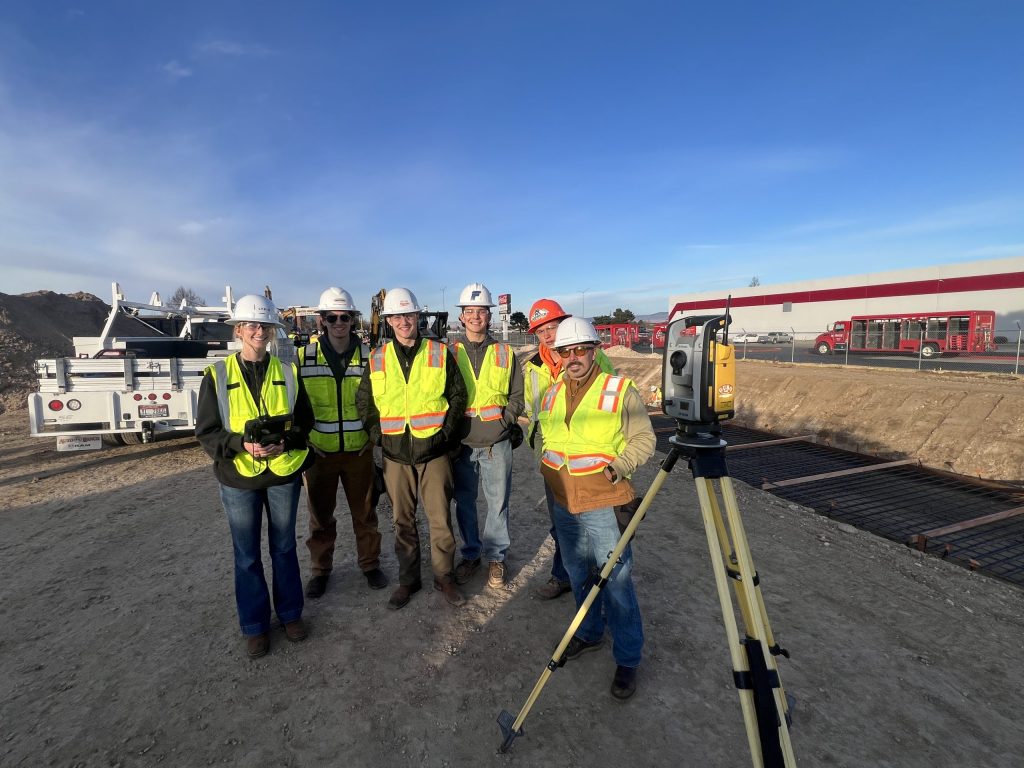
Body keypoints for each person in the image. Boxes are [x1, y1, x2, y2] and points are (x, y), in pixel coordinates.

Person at [536, 316, 655, 700]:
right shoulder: (552, 393)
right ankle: (588, 633)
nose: (573, 358)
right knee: (577, 571)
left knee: (616, 581)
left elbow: (644, 439)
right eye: (565, 352)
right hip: (564, 502)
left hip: (604, 501)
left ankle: (628, 659)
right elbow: (551, 442)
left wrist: (618, 467)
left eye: (580, 350)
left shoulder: (618, 390)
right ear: (559, 356)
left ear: (593, 351)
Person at [196, 294, 315, 659]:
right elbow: (207, 431)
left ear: (272, 331)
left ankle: (291, 615)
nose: (258, 331)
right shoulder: (217, 376)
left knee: (284, 547)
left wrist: (286, 443)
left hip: (282, 473)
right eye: (251, 325)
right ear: (239, 331)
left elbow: (305, 422)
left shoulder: (288, 372)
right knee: (246, 555)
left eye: (263, 325)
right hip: (239, 479)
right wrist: (239, 445)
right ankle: (255, 626)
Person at [356, 287, 469, 610]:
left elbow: (458, 396)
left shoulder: (438, 353)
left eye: (409, 315)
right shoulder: (378, 358)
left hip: (433, 453)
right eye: (397, 316)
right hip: (395, 456)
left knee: (439, 519)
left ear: (418, 317)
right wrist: (378, 435)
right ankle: (408, 580)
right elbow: (365, 401)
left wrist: (445, 435)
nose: (404, 321)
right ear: (389, 321)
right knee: (402, 523)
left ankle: (444, 576)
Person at [522, 299, 616, 600]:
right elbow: (532, 412)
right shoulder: (534, 367)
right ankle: (564, 575)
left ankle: (598, 580)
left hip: (589, 454)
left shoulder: (593, 359)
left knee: (594, 522)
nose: (548, 336)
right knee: (561, 520)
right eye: (541, 332)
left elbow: (612, 403)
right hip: (552, 455)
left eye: (552, 328)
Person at [299, 287, 388, 599]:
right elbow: (294, 406)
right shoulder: (303, 357)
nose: (339, 322)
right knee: (320, 518)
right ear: (322, 320)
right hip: (319, 454)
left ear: (353, 319)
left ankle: (370, 564)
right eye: (332, 317)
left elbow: (382, 400)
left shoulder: (371, 357)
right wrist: (305, 443)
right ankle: (320, 571)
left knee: (365, 515)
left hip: (358, 451)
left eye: (345, 317)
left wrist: (373, 438)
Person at [449, 283, 525, 590]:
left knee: (498, 504)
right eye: (470, 311)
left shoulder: (505, 352)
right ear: (462, 317)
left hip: (497, 443)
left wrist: (505, 421)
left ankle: (495, 557)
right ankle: (470, 554)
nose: (476, 316)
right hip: (463, 444)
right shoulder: (450, 353)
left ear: (489, 315)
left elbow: (517, 394)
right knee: (464, 502)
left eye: (481, 311)